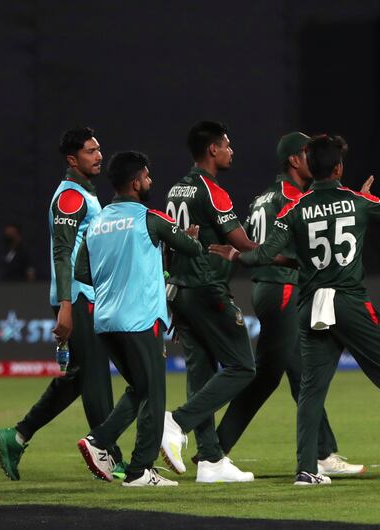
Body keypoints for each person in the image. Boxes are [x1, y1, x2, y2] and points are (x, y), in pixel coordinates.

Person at [210, 134, 380, 486]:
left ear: (313, 165)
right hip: (350, 301)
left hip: (310, 305)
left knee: (311, 389)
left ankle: (307, 469)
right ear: (338, 168)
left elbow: (262, 254)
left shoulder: (295, 208)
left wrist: (234, 254)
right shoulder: (358, 201)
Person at [214, 132, 365, 476]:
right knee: (278, 374)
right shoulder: (294, 197)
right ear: (294, 160)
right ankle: (206, 444)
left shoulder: (264, 196)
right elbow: (303, 250)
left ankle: (323, 452)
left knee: (292, 374)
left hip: (268, 287)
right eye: (307, 152)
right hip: (282, 286)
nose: (313, 158)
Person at [0, 127, 124, 481]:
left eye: (99, 149)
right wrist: (66, 304)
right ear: (72, 160)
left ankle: (16, 436)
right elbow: (62, 253)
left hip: (85, 295)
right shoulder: (70, 198)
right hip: (78, 296)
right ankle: (108, 456)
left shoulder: (84, 193)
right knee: (97, 378)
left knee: (79, 378)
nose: (98, 156)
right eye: (90, 152)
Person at [73, 151, 203, 486]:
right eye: (146, 176)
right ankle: (137, 469)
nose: (150, 181)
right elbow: (191, 250)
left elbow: (81, 271)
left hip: (105, 321)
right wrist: (190, 240)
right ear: (135, 182)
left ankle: (100, 442)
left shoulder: (97, 223)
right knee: (155, 393)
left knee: (140, 388)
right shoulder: (150, 218)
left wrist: (116, 278)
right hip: (141, 319)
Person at [160, 121, 259, 483]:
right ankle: (176, 422)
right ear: (213, 150)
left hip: (181, 289)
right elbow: (244, 244)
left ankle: (211, 461)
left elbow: (167, 242)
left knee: (200, 373)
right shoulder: (212, 191)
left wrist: (171, 292)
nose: (232, 151)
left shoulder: (175, 190)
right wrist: (282, 252)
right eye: (227, 145)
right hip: (207, 288)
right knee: (243, 367)